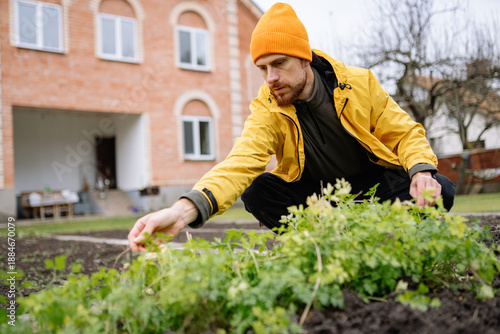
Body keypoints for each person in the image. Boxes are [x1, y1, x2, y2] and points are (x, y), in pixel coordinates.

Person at [128, 2, 456, 252]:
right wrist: (182, 211)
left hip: (374, 188)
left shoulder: (358, 83)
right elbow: (240, 163)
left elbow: (404, 132)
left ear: (304, 58)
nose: (271, 78)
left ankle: (383, 240)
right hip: (320, 199)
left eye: (279, 64)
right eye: (262, 68)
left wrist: (420, 173)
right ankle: (322, 247)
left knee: (441, 187)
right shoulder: (267, 107)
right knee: (258, 191)